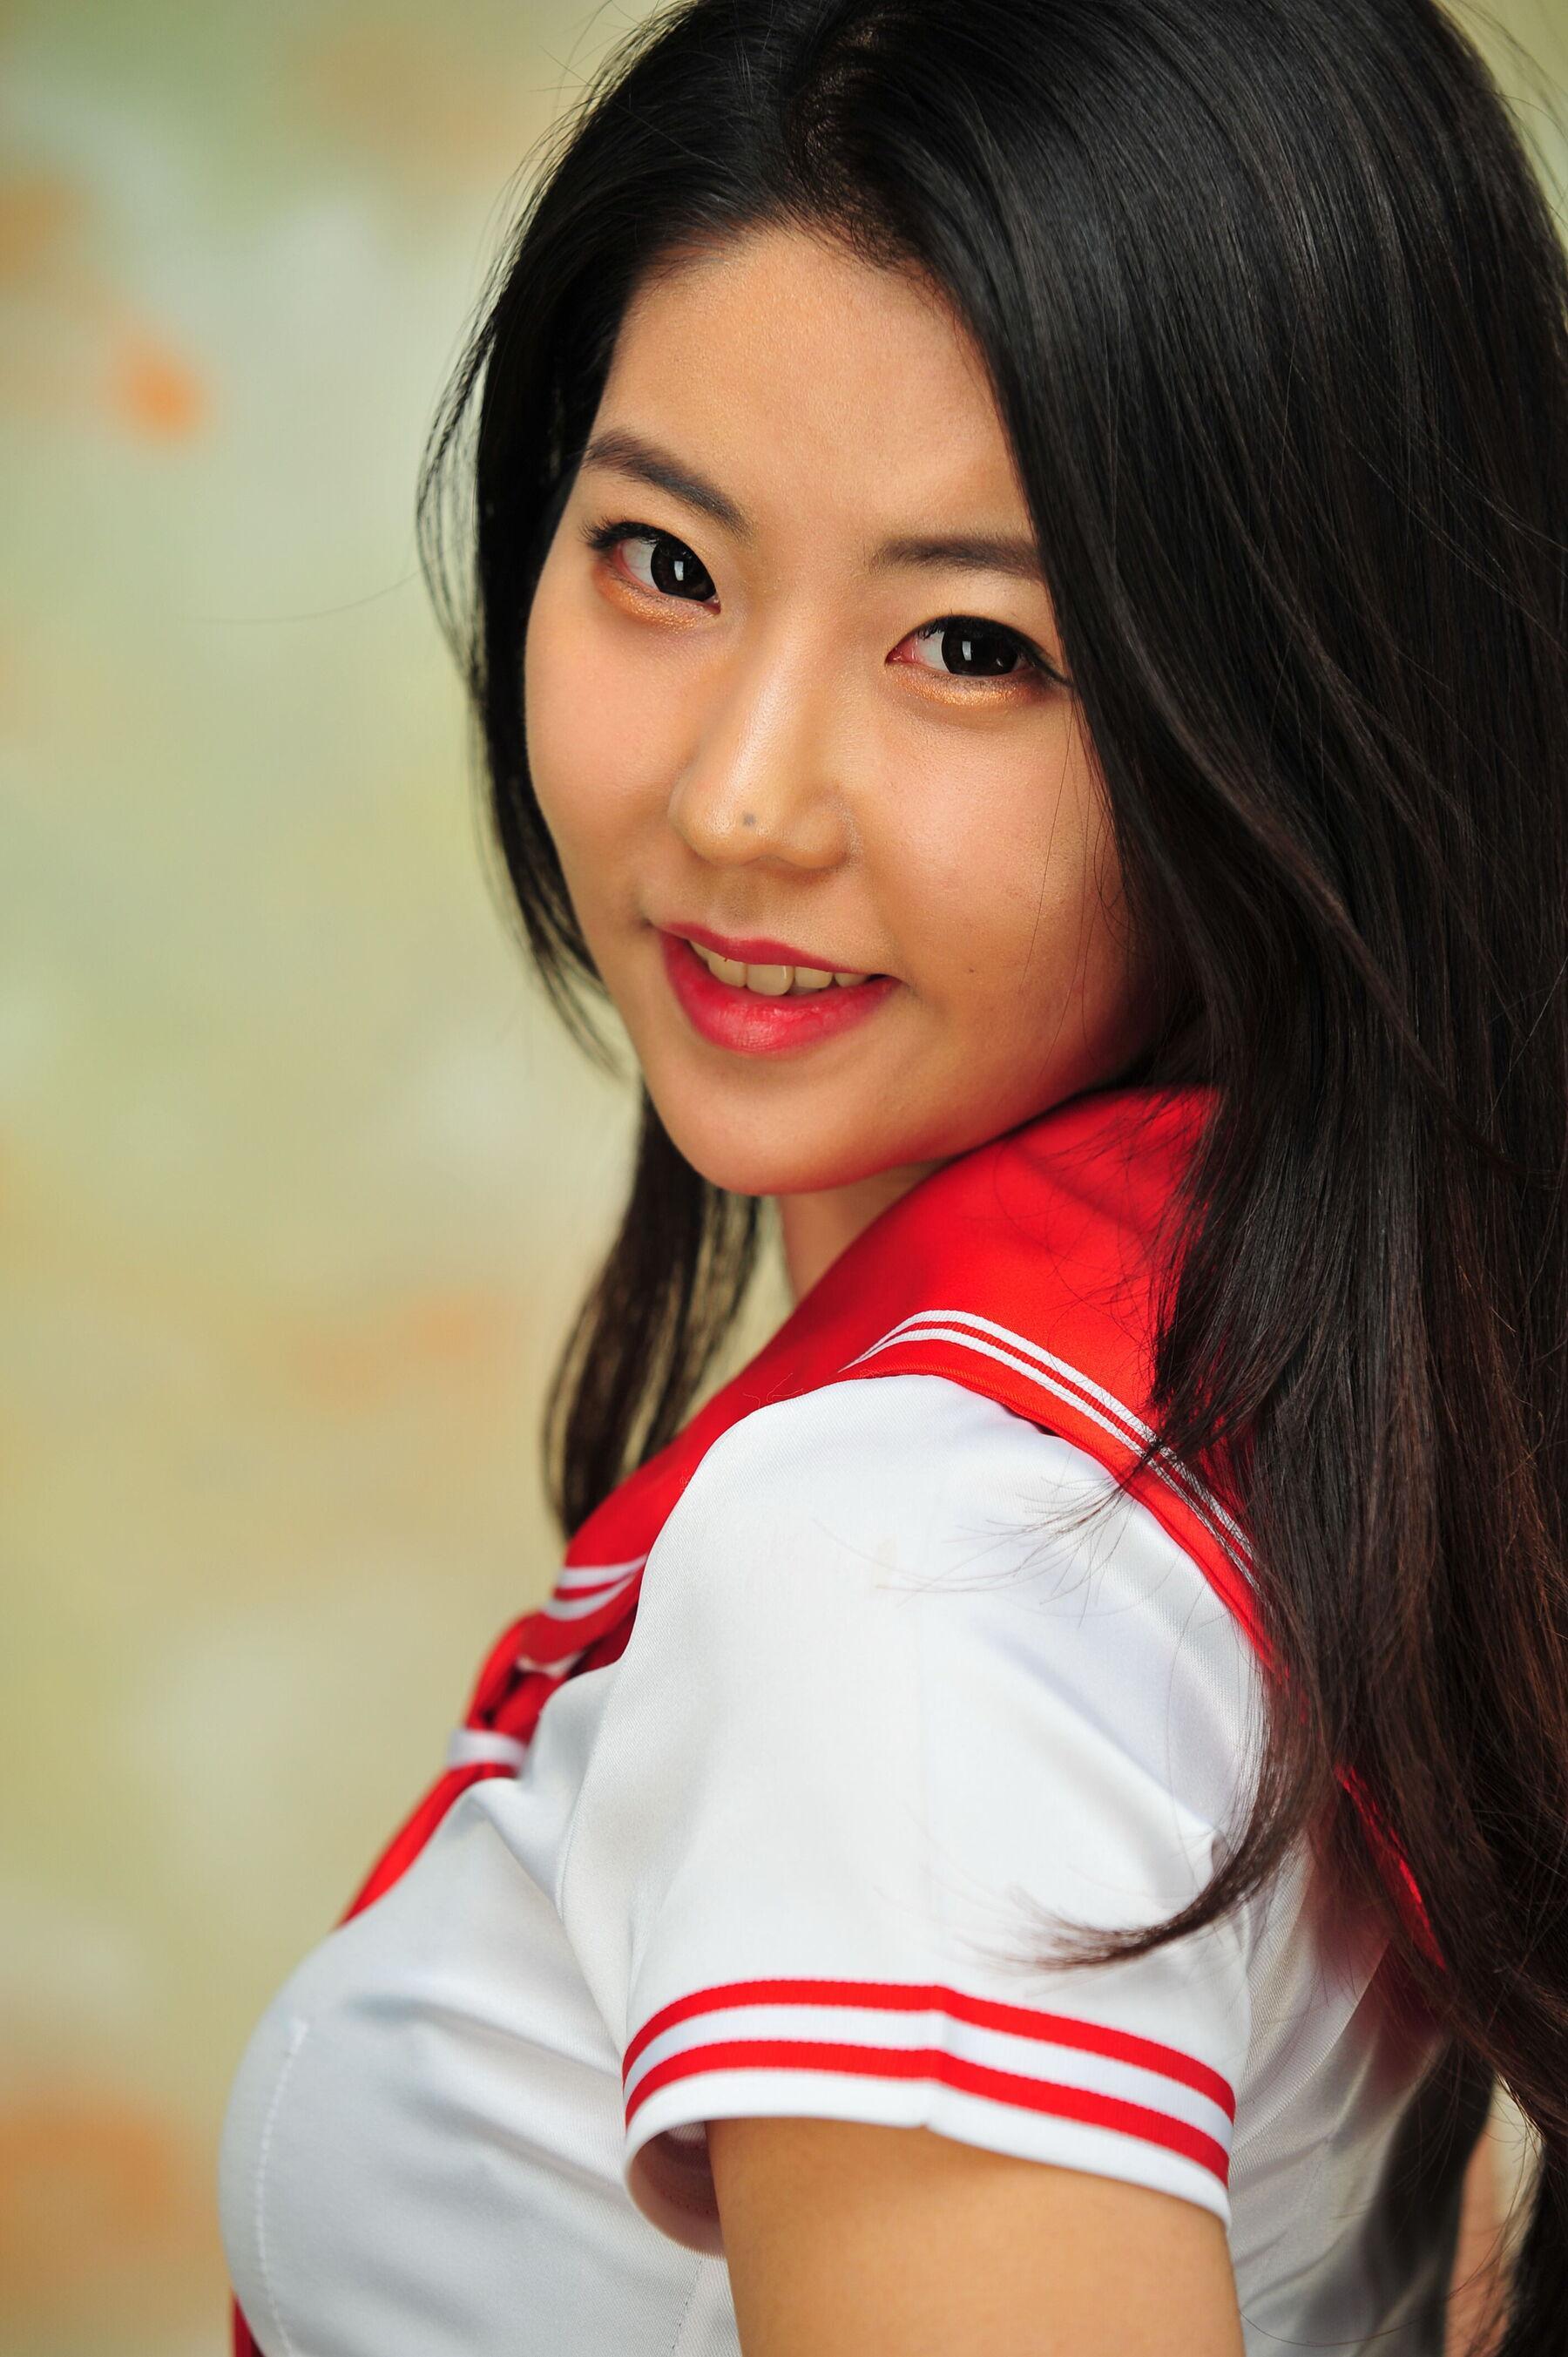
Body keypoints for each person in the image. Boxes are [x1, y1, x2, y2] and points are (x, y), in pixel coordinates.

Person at [215, 0, 1568, 2348]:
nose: (739, 796)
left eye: (971, 644)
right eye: (663, 561)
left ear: (1313, 704)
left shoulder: (913, 1576)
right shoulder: (1336, 1363)